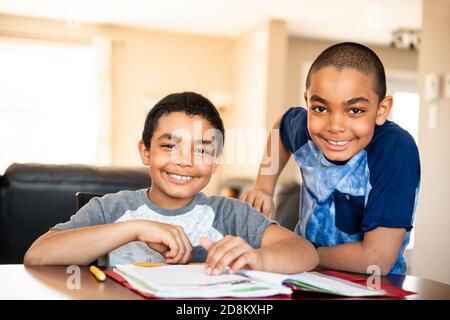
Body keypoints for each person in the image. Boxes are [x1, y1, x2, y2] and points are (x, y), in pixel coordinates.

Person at [24, 92, 318, 276]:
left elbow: (305, 253)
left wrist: (257, 257)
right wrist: (134, 229)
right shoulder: (112, 209)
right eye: (169, 146)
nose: (185, 161)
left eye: (203, 150)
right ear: (145, 152)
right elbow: (37, 255)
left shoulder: (231, 215)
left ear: (216, 162)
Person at [240, 42, 420, 275]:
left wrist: (299, 254)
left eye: (355, 110)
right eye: (320, 109)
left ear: (382, 110)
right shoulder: (304, 130)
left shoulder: (395, 150)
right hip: (305, 276)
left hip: (372, 285)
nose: (334, 127)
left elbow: (378, 258)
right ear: (307, 102)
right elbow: (281, 127)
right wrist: (264, 187)